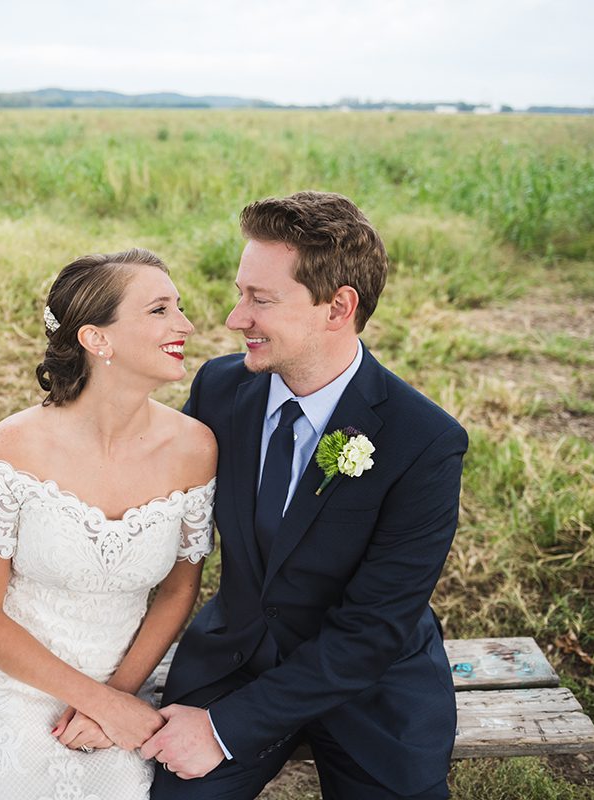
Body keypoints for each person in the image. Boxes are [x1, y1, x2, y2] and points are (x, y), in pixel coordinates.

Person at [143, 192, 468, 800]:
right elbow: (155, 522)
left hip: (371, 687)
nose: (235, 318)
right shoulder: (219, 389)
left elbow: (372, 631)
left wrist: (224, 730)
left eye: (260, 299)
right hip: (234, 661)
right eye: (241, 292)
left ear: (338, 307)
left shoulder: (424, 441)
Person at [0, 248, 217, 800]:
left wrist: (119, 695)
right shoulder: (16, 445)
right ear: (97, 338)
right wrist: (102, 704)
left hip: (123, 668)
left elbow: (179, 590)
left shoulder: (193, 447)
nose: (185, 324)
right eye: (159, 310)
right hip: (10, 671)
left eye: (178, 307)